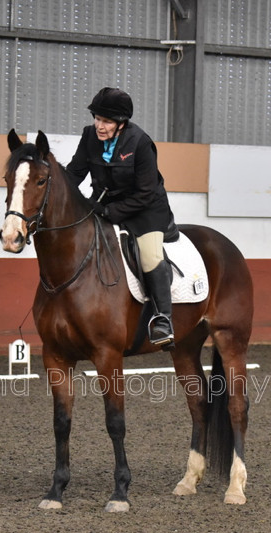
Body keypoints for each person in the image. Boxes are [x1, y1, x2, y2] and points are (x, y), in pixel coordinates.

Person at [65, 87, 176, 347]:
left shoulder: (140, 142)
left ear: (121, 123)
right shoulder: (89, 136)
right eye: (97, 118)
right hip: (104, 205)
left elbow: (146, 192)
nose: (99, 126)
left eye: (106, 121)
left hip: (145, 209)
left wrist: (110, 212)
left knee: (149, 255)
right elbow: (74, 173)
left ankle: (163, 320)